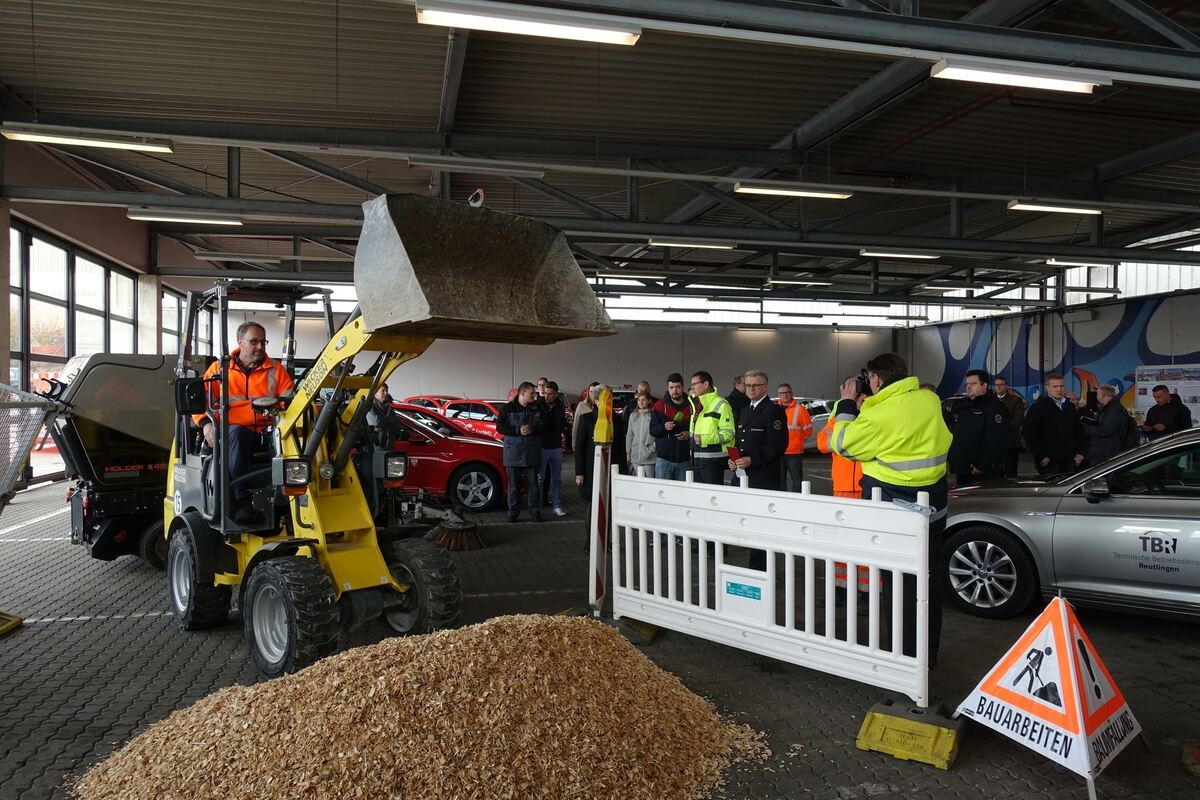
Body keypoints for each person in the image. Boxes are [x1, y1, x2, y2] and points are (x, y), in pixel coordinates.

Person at [829, 352, 951, 666]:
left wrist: (845, 405)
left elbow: (842, 444)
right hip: (933, 511)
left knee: (898, 589)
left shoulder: (880, 412)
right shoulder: (928, 400)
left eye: (869, 378)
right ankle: (928, 655)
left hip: (895, 515)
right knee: (929, 584)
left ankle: (906, 660)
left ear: (878, 379)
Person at [194, 321, 294, 523]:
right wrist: (205, 424)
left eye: (263, 342)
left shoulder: (276, 370)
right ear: (240, 341)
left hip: (268, 431)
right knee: (237, 434)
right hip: (232, 432)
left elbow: (290, 402)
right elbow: (200, 402)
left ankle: (291, 500)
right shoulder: (219, 369)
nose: (260, 347)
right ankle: (241, 501)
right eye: (254, 341)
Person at [730, 370, 788, 571]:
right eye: (748, 385)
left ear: (765, 386)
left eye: (755, 385)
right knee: (750, 523)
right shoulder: (746, 411)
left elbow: (778, 445)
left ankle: (761, 568)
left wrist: (752, 459)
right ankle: (755, 566)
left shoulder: (773, 411)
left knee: (762, 526)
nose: (751, 389)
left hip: (764, 477)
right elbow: (741, 441)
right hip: (745, 475)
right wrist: (735, 459)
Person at [818, 376, 870, 596]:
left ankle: (869, 592)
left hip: (867, 488)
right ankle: (842, 590)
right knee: (841, 543)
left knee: (868, 544)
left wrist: (841, 436)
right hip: (842, 488)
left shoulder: (873, 412)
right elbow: (822, 443)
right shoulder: (840, 413)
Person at [947, 369, 1008, 487]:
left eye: (973, 384)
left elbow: (996, 439)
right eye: (967, 384)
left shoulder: (994, 407)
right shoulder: (967, 406)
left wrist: (981, 464)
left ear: (984, 385)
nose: (969, 387)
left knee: (981, 503)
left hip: (981, 471)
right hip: (964, 469)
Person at [496, 381, 543, 523]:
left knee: (533, 484)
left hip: (532, 452)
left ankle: (534, 512)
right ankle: (513, 512)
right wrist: (517, 431)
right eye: (532, 393)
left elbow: (545, 425)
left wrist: (533, 430)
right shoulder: (507, 409)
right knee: (514, 485)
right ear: (522, 393)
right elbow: (500, 427)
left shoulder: (537, 408)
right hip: (513, 453)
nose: (534, 396)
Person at [1021, 373, 1085, 476]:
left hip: (1070, 461)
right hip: (1049, 462)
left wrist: (1080, 453)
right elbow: (1028, 432)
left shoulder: (1070, 407)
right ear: (1047, 387)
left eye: (1061, 386)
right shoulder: (1038, 408)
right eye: (1055, 386)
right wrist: (1041, 456)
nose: (1059, 389)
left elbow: (1079, 432)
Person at [689, 371, 735, 485]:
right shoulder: (696, 405)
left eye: (695, 384)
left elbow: (729, 433)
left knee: (713, 498)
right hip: (695, 461)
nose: (692, 387)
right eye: (692, 384)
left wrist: (705, 439)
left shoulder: (722, 404)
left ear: (705, 385)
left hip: (713, 462)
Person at [649, 373, 692, 481]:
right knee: (662, 494)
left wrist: (689, 434)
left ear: (682, 387)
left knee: (682, 494)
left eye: (677, 387)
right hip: (664, 459)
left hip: (684, 459)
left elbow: (699, 428)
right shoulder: (658, 406)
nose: (674, 390)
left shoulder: (692, 406)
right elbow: (652, 430)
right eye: (671, 387)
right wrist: (664, 427)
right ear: (668, 388)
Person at [537, 381, 567, 517]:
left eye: (550, 394)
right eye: (545, 394)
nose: (547, 397)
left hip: (555, 447)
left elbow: (560, 425)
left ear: (556, 394)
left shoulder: (560, 407)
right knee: (540, 478)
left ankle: (557, 506)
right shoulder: (539, 405)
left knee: (556, 479)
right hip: (542, 446)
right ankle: (537, 506)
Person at [1085, 384, 1134, 465]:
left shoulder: (1114, 410)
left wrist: (1085, 428)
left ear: (1103, 395)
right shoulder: (1107, 409)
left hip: (1107, 453)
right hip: (1103, 451)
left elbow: (1105, 430)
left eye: (1097, 394)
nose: (1096, 397)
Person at [776, 383, 813, 492]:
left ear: (792, 393)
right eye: (782, 393)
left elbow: (808, 431)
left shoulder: (800, 410)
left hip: (794, 452)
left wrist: (797, 441)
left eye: (788, 392)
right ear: (779, 395)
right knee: (779, 481)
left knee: (797, 481)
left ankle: (797, 503)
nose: (785, 395)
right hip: (778, 451)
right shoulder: (775, 409)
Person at [993, 376, 1025, 478]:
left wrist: (1004, 429)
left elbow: (1018, 418)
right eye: (996, 385)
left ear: (1006, 386)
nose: (998, 387)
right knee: (995, 472)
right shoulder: (990, 401)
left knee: (1011, 471)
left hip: (1010, 442)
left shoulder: (1015, 400)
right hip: (993, 444)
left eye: (1001, 385)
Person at [365, 383, 405, 449]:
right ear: (375, 393)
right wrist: (390, 421)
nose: (386, 393)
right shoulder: (370, 407)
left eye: (387, 391)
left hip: (389, 446)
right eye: (383, 391)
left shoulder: (389, 408)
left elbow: (397, 426)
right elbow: (376, 422)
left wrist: (382, 427)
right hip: (375, 446)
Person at [625, 392, 656, 476]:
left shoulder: (653, 415)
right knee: (638, 484)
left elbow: (657, 435)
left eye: (643, 400)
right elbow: (629, 435)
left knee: (649, 484)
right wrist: (628, 453)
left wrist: (651, 450)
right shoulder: (633, 415)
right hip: (635, 457)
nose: (640, 402)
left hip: (649, 458)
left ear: (649, 401)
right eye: (639, 400)